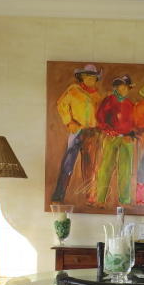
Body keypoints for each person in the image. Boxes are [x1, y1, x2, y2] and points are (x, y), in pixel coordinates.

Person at [51, 63, 103, 203]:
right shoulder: (73, 90)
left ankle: (90, 197)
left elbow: (100, 115)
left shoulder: (97, 96)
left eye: (93, 77)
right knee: (68, 165)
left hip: (92, 133)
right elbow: (61, 104)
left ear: (96, 79)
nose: (90, 79)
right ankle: (58, 195)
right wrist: (69, 122)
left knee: (90, 167)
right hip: (77, 131)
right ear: (82, 77)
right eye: (87, 76)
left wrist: (99, 128)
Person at [95, 74, 135, 205]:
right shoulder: (109, 100)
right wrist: (108, 130)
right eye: (121, 87)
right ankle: (100, 199)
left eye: (126, 87)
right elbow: (100, 118)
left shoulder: (130, 104)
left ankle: (125, 200)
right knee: (106, 167)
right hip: (111, 138)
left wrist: (131, 135)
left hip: (126, 140)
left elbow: (134, 123)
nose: (123, 89)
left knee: (125, 170)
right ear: (116, 88)